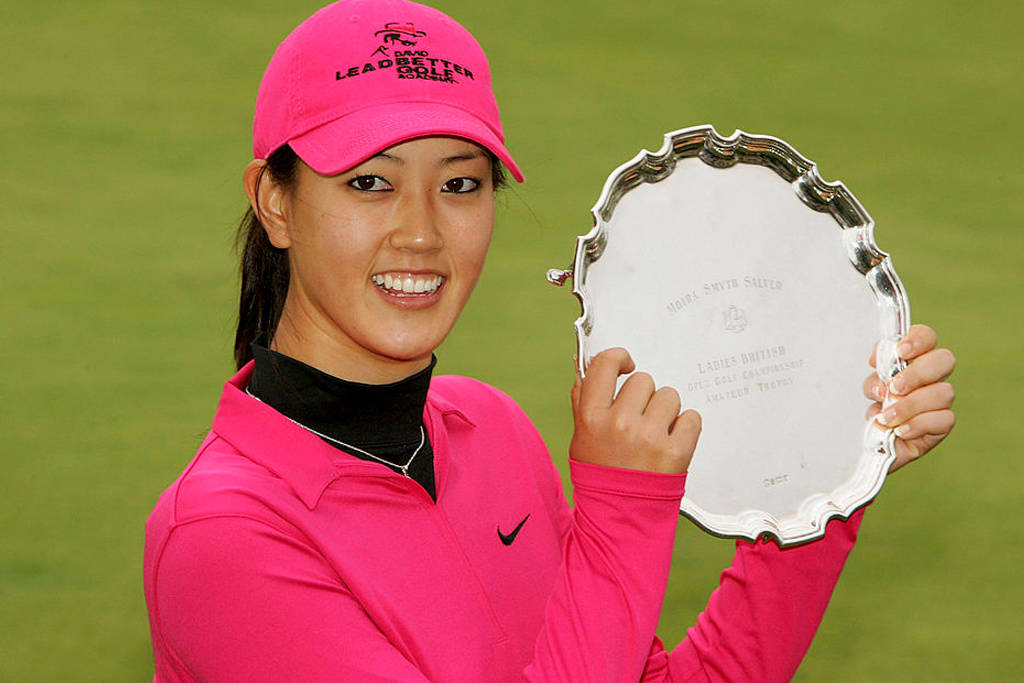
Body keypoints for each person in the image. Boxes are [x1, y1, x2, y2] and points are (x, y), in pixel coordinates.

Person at [142, 1, 957, 680]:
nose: (421, 232)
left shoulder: (488, 428)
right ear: (274, 202)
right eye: (370, 182)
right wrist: (621, 512)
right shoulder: (222, 535)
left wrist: (831, 472)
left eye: (460, 183)